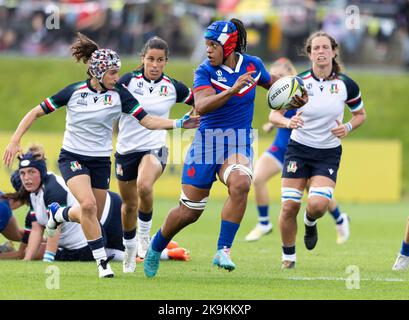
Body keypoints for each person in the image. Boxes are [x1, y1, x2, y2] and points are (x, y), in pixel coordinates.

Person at [2, 33, 198, 278]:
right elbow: (35, 112)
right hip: (72, 157)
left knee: (90, 213)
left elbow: (147, 121)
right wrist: (14, 139)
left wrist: (179, 123)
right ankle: (102, 264)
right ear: (97, 73)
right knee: (88, 205)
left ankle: (59, 214)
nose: (118, 77)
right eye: (113, 73)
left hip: (101, 161)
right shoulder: (72, 92)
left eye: (117, 72)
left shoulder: (120, 95)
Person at [143, 18, 307, 278]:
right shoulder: (204, 71)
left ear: (228, 46)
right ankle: (155, 246)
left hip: (238, 142)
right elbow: (203, 104)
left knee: (241, 183)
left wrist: (295, 91)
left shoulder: (253, 65)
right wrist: (232, 90)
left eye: (212, 45)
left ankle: (223, 250)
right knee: (189, 212)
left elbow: (273, 83)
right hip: (206, 144)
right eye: (206, 44)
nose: (207, 49)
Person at [271, 31, 366, 269]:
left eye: (325, 47)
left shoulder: (346, 85)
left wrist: (347, 127)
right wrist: (287, 122)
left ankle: (310, 222)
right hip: (298, 149)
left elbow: (360, 115)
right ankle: (288, 259)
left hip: (328, 152)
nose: (321, 52)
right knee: (289, 206)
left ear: (334, 52)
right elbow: (274, 115)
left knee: (317, 205)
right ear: (310, 53)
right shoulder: (298, 83)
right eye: (316, 48)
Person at [246, 57, 350, 245]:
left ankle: (340, 218)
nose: (276, 80)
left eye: (280, 75)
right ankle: (263, 223)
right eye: (274, 76)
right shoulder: (283, 94)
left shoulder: (304, 90)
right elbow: (280, 114)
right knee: (258, 177)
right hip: (281, 149)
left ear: (290, 73)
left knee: (316, 196)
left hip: (305, 150)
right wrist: (273, 123)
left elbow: (307, 113)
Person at [0, 163, 190, 262]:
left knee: (115, 253)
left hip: (104, 214)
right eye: (24, 175)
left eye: (29, 173)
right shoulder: (43, 193)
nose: (27, 179)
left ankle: (165, 252)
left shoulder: (46, 196)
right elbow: (32, 240)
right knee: (124, 247)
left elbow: (43, 238)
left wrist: (42, 257)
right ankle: (159, 243)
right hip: (107, 205)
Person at [115, 36, 194, 273]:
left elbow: (200, 101)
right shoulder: (128, 81)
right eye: (150, 59)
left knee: (144, 186)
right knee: (129, 206)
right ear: (143, 59)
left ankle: (144, 239)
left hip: (154, 147)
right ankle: (129, 251)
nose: (155, 64)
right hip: (126, 149)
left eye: (160, 60)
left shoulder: (173, 86)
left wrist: (194, 117)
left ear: (166, 61)